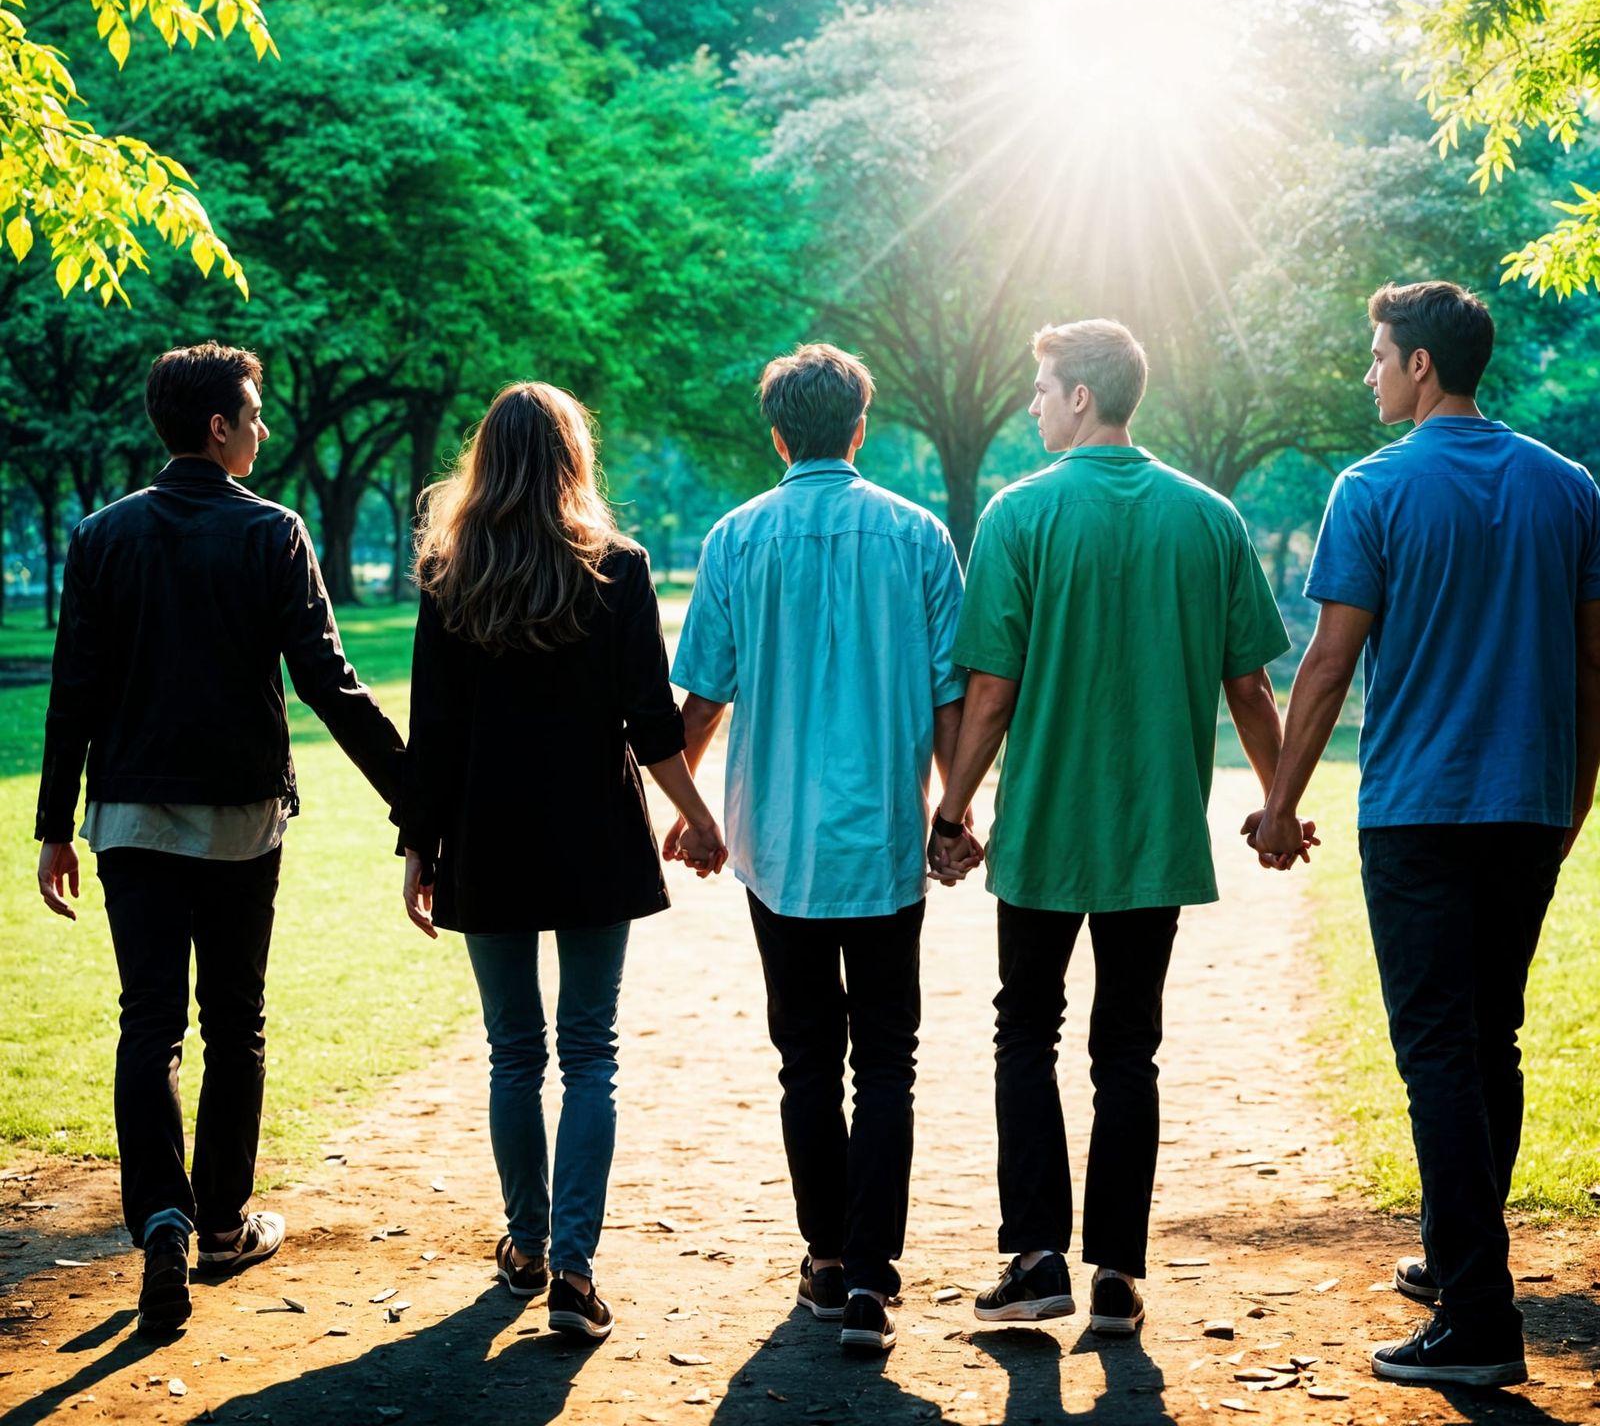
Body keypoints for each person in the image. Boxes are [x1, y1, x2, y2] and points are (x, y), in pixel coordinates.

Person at [1247, 281, 1600, 1388]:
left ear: (1419, 369)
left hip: (1419, 811)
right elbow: (1595, 665)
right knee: (1488, 1037)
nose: (1367, 373)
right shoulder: (1568, 486)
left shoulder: (1374, 488)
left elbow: (1327, 661)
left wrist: (1277, 801)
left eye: (1377, 354)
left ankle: (1479, 1320)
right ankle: (1463, 1261)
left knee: (1439, 1051)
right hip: (1528, 805)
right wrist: (1573, 797)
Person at [929, 318, 1305, 1337]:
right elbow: (1251, 686)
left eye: (1041, 388)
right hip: (1154, 830)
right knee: (1127, 1049)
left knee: (1027, 1030)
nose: (1032, 404)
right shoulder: (1210, 518)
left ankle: (1038, 1255)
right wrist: (1277, 806)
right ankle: (1117, 1274)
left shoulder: (1019, 515)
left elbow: (991, 692)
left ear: (1081, 396)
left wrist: (954, 810)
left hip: (1046, 827)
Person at [33, 341, 404, 1336]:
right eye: (254, 412)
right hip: (240, 818)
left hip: (129, 815)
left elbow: (74, 690)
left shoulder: (101, 536)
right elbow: (331, 683)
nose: (265, 428)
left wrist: (52, 826)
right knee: (234, 1020)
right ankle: (222, 1223)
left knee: (147, 1019)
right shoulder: (271, 533)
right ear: (219, 428)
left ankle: (160, 1217)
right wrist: (417, 794)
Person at [396, 381, 725, 1344]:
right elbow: (650, 722)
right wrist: (697, 816)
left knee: (513, 1051)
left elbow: (436, 731)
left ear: (485, 461)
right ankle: (574, 1268)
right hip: (592, 839)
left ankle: (528, 1242)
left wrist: (419, 847)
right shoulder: (617, 569)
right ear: (573, 459)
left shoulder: (449, 571)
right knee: (589, 1052)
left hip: (486, 839)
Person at [668, 343, 969, 1354]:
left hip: (777, 842)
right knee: (888, 1058)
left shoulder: (737, 537)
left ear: (778, 432)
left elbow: (702, 694)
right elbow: (948, 696)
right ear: (859, 427)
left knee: (807, 1057)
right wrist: (952, 809)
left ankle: (827, 1257)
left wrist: (689, 806)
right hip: (882, 835)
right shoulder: (919, 535)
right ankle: (874, 1278)